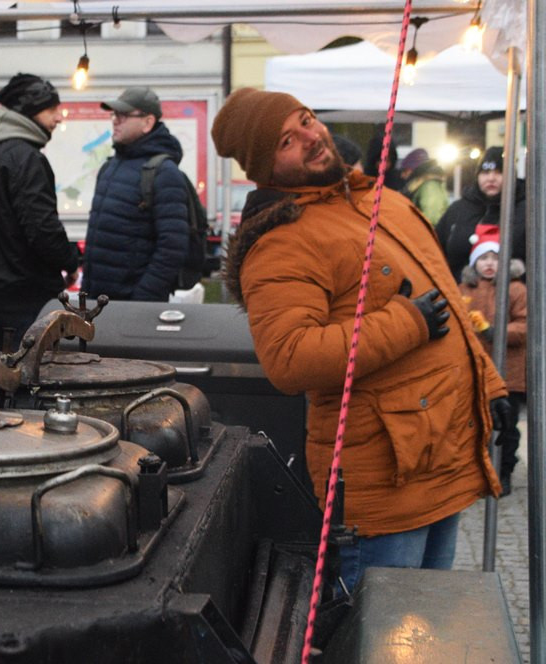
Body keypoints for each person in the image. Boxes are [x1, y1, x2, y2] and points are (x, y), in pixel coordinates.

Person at [212, 88, 512, 594]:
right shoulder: (281, 242)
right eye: (288, 140)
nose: (310, 137)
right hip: (382, 480)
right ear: (264, 168)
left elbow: (451, 310)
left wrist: (492, 388)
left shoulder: (383, 202)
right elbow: (290, 359)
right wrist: (405, 324)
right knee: (384, 635)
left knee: (431, 625)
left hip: (439, 459)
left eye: (306, 120)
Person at [0, 73, 79, 350]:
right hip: (26, 295)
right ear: (29, 112)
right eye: (51, 110)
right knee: (30, 380)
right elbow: (42, 228)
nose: (58, 118)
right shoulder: (27, 159)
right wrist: (70, 260)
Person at [81, 87, 189, 301]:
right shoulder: (110, 167)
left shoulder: (164, 173)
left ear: (147, 122)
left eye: (123, 115)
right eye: (114, 115)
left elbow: (172, 247)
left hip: (133, 307)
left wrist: (143, 298)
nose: (115, 121)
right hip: (96, 303)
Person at [458, 226, 526, 497]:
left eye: (495, 259)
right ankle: (476, 472)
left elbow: (525, 325)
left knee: (507, 428)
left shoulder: (516, 289)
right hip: (475, 369)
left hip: (509, 371)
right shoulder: (464, 289)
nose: (489, 264)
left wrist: (495, 331)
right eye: (484, 258)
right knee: (474, 424)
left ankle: (505, 471)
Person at [437, 146, 527, 283]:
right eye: (485, 172)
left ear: (511, 175)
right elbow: (437, 251)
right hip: (462, 296)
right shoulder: (458, 210)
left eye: (499, 172)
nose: (491, 178)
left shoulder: (528, 210)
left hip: (517, 297)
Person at [398, 148, 449, 226]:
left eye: (405, 170)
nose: (402, 175)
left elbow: (432, 218)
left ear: (414, 170)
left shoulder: (429, 187)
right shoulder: (424, 186)